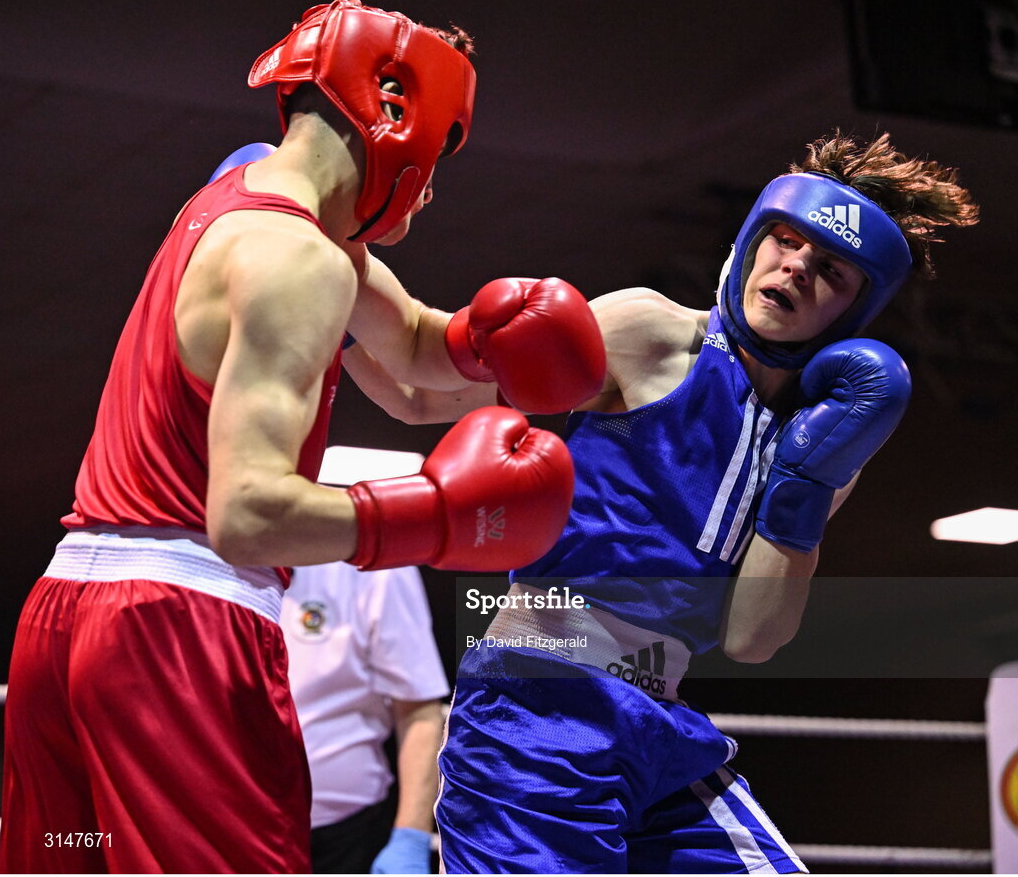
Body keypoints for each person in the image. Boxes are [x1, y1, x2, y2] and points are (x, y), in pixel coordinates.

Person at [0, 0, 607, 873]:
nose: (432, 187)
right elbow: (245, 515)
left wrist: (494, 346)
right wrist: (436, 517)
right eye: (441, 153)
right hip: (181, 634)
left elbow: (413, 355)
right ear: (395, 120)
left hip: (64, 621)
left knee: (69, 858)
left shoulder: (236, 208)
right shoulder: (302, 261)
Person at [343, 131, 979, 872]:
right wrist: (329, 251)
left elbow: (752, 636)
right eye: (785, 240)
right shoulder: (649, 334)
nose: (797, 267)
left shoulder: (829, 440)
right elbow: (422, 394)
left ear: (853, 309)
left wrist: (801, 489)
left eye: (830, 269)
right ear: (750, 243)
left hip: (660, 723)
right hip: (537, 707)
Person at [282, 559, 447, 874]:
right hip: (232, 825)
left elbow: (419, 711)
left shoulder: (375, 565)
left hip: (349, 837)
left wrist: (410, 837)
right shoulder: (208, 558)